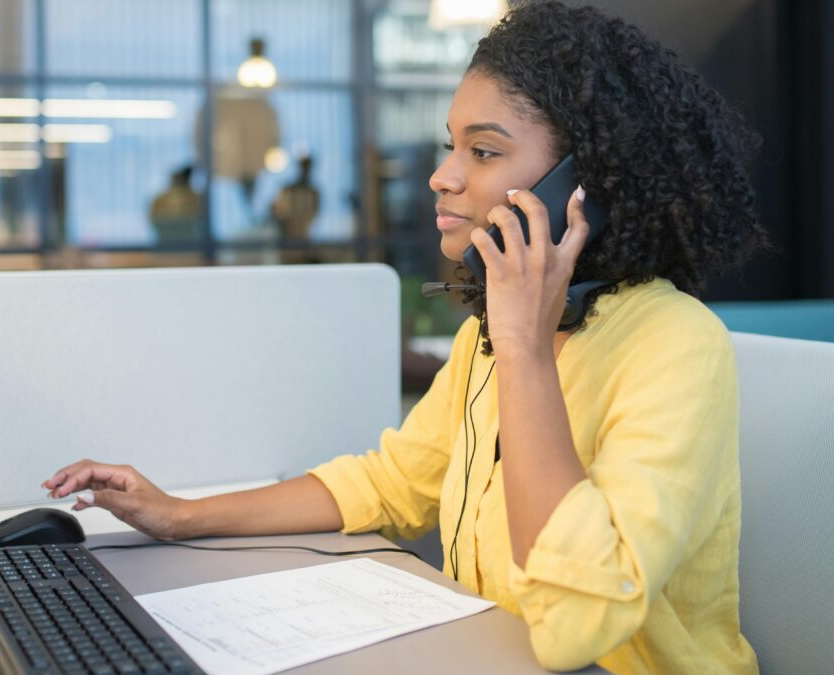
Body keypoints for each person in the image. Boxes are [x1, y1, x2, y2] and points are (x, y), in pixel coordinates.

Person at [43, 3, 765, 672]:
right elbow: (391, 483)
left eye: (483, 152)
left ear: (582, 187)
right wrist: (179, 516)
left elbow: (578, 623)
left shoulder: (674, 344)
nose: (442, 176)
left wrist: (522, 347)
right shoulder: (483, 343)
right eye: (451, 146)